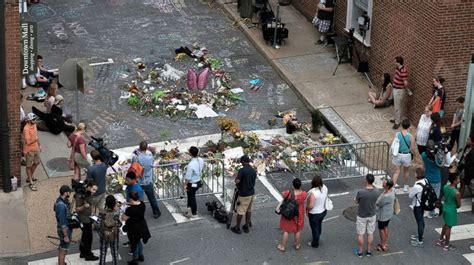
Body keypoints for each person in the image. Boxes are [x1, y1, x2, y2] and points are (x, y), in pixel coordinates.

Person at [132, 141, 161, 219]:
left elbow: (133, 167)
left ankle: (139, 213)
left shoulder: (136, 158)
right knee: (152, 198)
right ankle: (156, 212)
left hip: (139, 182)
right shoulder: (150, 156)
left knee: (138, 199)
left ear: (139, 148)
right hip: (148, 181)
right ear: (146, 148)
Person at [277, 178, 307, 252]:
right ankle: (297, 245)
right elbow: (305, 197)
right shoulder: (303, 194)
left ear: (293, 185)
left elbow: (283, 194)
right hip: (298, 214)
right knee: (297, 230)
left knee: (286, 231)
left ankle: (282, 246)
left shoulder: (289, 193)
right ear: (300, 185)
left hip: (289, 213)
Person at [122, 191, 151, 265]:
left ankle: (135, 260)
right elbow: (135, 205)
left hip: (133, 229)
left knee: (134, 244)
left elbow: (123, 218)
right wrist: (127, 204)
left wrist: (123, 211)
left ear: (131, 199)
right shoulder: (142, 204)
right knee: (139, 242)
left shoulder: (130, 210)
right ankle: (141, 256)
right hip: (142, 226)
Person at [354, 174, 380, 258]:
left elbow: (356, 201)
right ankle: (369, 251)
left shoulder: (361, 192)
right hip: (372, 214)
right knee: (370, 233)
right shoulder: (376, 191)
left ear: (366, 181)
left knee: (361, 234)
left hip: (362, 215)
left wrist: (355, 200)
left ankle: (360, 251)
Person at [230, 155, 257, 234]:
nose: (241, 163)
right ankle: (246, 225)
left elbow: (237, 181)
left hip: (244, 194)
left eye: (241, 162)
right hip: (251, 193)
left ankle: (237, 227)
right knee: (248, 210)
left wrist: (237, 181)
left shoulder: (242, 170)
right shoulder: (253, 170)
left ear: (244, 162)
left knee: (240, 211)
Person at [75, 180, 99, 261]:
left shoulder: (88, 194)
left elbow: (91, 204)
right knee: (89, 237)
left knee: (85, 236)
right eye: (93, 189)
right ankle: (88, 254)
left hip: (88, 217)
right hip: (84, 219)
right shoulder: (80, 195)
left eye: (95, 190)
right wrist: (84, 206)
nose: (94, 192)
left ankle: (83, 252)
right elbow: (77, 209)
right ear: (88, 187)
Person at [437, 173, 461, 251]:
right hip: (451, 210)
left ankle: (440, 239)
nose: (459, 180)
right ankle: (447, 244)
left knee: (446, 225)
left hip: (445, 208)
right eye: (458, 179)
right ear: (454, 181)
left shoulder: (445, 187)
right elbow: (458, 205)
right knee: (449, 228)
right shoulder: (456, 193)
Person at [391, 119, 415, 192]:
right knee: (406, 171)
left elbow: (391, 143)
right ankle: (405, 186)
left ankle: (393, 187)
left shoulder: (397, 134)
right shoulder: (411, 136)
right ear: (409, 126)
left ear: (401, 125)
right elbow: (412, 148)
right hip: (406, 155)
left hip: (397, 154)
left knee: (396, 172)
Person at [306, 175, 328, 248]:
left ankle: (315, 243)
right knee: (319, 224)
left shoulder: (313, 193)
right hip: (323, 210)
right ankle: (318, 235)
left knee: (314, 228)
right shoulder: (324, 188)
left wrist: (307, 209)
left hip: (315, 214)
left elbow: (311, 206)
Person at [422, 140, 442, 218]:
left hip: (427, 177)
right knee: (434, 197)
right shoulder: (436, 157)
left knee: (426, 195)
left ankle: (424, 210)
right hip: (436, 179)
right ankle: (431, 212)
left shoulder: (424, 155)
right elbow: (441, 163)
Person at [99, 195, 120, 265]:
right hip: (113, 234)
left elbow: (99, 223)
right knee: (114, 252)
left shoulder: (102, 212)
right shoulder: (117, 212)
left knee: (103, 252)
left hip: (104, 233)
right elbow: (119, 223)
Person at [183, 146, 204, 217]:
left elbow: (188, 177)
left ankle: (192, 212)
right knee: (191, 197)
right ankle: (190, 210)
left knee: (191, 197)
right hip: (198, 181)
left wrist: (185, 185)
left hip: (192, 183)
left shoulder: (191, 165)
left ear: (190, 153)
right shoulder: (200, 160)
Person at [375, 178, 395, 252]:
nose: (383, 184)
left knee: (381, 229)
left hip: (383, 215)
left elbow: (379, 204)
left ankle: (382, 244)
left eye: (384, 183)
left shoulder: (386, 196)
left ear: (387, 186)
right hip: (388, 214)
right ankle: (385, 242)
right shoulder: (390, 191)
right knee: (385, 227)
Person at [54, 185, 73, 265]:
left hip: (65, 229)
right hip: (64, 230)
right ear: (65, 193)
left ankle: (62, 263)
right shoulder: (61, 205)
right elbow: (62, 222)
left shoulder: (61, 201)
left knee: (63, 247)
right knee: (63, 249)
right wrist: (65, 235)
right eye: (69, 192)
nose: (70, 193)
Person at [409, 167, 427, 247]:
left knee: (419, 222)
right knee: (421, 221)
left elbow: (410, 195)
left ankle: (420, 240)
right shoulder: (425, 181)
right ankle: (420, 235)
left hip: (417, 205)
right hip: (423, 204)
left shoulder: (417, 185)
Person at [23, 113, 41, 191]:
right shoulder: (26, 128)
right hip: (29, 150)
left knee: (37, 162)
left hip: (36, 148)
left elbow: (36, 135)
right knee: (28, 166)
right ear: (30, 120)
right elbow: (28, 142)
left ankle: (29, 176)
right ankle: (30, 181)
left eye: (35, 119)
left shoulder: (34, 125)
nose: (35, 120)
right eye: (33, 119)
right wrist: (36, 140)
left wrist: (39, 144)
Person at [390, 56, 408, 130]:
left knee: (398, 106)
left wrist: (406, 90)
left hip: (399, 90)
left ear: (398, 62)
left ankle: (397, 122)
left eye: (395, 61)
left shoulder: (403, 71)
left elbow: (405, 82)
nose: (394, 62)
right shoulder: (397, 68)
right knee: (396, 105)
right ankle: (396, 118)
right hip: (395, 89)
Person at [458, 134, 474, 200]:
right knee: (462, 183)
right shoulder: (467, 147)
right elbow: (463, 156)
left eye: (468, 139)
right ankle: (458, 198)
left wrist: (463, 165)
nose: (466, 140)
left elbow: (471, 163)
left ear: (473, 142)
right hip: (462, 168)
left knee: (469, 185)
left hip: (468, 171)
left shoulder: (473, 151)